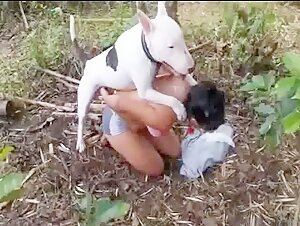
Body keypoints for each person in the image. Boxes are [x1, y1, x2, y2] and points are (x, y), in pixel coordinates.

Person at [100, 69, 191, 177]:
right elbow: (116, 102)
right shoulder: (162, 118)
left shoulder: (182, 84)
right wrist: (104, 92)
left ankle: (139, 133)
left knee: (175, 151)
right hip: (119, 118)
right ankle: (116, 139)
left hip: (143, 115)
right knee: (156, 168)